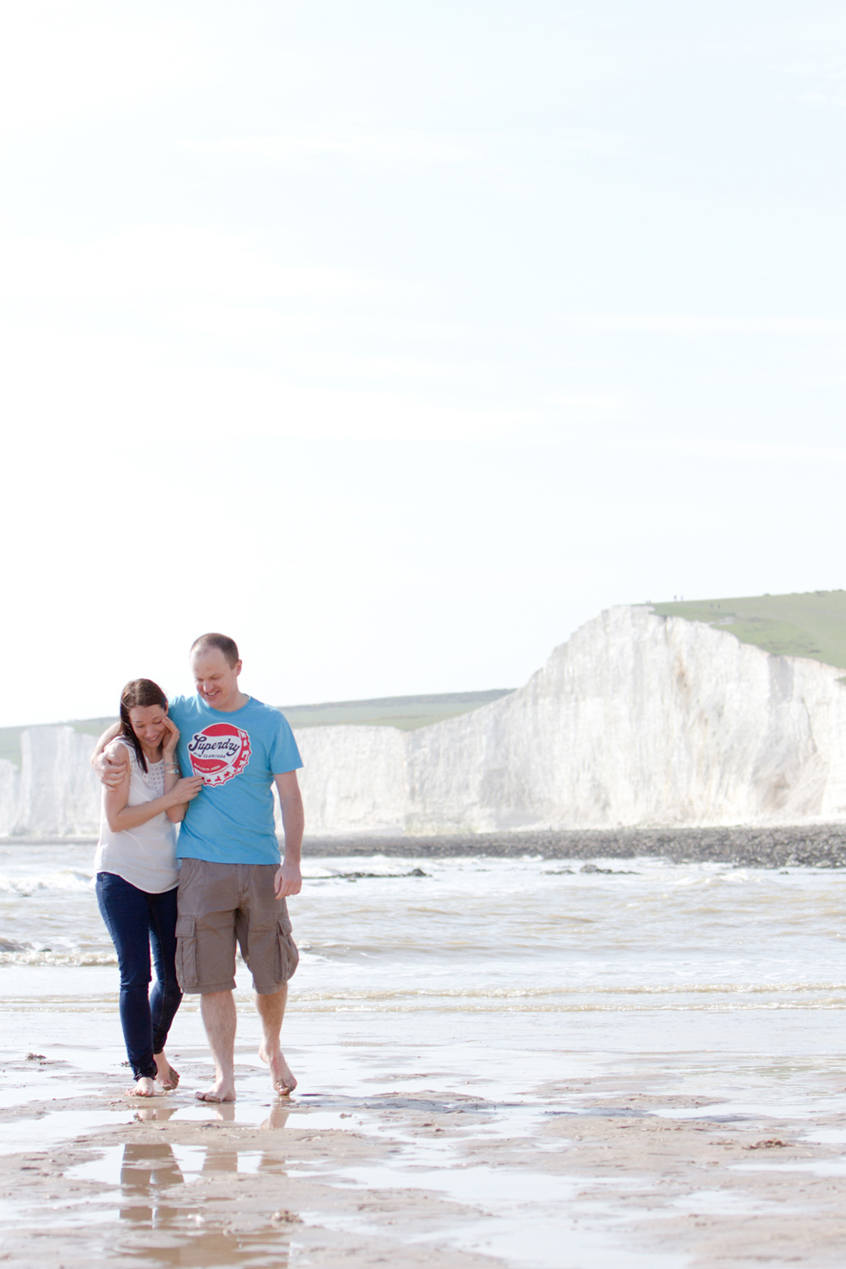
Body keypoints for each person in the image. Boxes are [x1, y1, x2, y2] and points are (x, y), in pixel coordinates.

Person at [93, 634, 304, 1103]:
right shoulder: (182, 712)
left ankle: (270, 1048)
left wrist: (292, 860)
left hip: (260, 863)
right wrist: (97, 755)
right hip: (199, 865)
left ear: (237, 668)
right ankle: (224, 1076)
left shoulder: (269, 721)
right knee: (210, 976)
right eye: (199, 679)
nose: (207, 687)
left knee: (270, 972)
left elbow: (290, 796)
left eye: (215, 677)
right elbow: (130, 722)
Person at [95, 679, 203, 1097]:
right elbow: (117, 819)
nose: (150, 731)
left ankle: (154, 1049)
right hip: (120, 876)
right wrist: (169, 797)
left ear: (166, 713)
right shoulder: (120, 752)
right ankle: (142, 1071)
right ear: (127, 722)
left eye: (157, 721)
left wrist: (171, 754)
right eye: (140, 724)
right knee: (136, 975)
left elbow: (176, 815)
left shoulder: (169, 745)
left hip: (165, 876)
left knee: (175, 979)